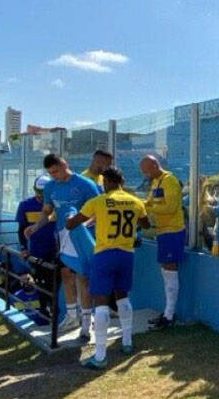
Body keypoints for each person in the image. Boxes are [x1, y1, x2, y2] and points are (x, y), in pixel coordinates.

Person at [66, 167, 149, 369]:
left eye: (103, 183)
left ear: (108, 182)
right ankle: (127, 342)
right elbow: (145, 224)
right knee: (123, 296)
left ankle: (101, 355)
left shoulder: (99, 201)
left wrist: (70, 215)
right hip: (127, 255)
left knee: (101, 301)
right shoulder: (135, 201)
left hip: (104, 254)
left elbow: (71, 225)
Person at [23, 154, 101, 336]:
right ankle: (72, 316)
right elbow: (47, 212)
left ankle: (87, 320)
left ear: (65, 164)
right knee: (66, 275)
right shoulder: (50, 187)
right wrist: (35, 227)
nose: (53, 176)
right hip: (63, 238)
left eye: (56, 171)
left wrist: (82, 224)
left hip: (83, 238)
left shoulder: (85, 184)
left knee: (83, 278)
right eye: (50, 173)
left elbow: (98, 210)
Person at [140, 155, 186, 330]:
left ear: (154, 165)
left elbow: (170, 207)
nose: (145, 174)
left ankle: (169, 315)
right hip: (163, 231)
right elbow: (150, 202)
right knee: (165, 272)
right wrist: (138, 203)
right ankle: (167, 312)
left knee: (169, 271)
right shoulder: (155, 182)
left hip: (173, 231)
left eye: (146, 170)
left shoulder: (169, 180)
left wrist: (147, 208)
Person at [16, 175, 58, 318]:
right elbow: (21, 229)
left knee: (54, 280)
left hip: (56, 251)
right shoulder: (25, 205)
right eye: (39, 192)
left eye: (44, 193)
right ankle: (43, 308)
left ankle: (54, 307)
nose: (41, 196)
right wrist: (23, 248)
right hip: (36, 251)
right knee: (40, 280)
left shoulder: (56, 205)